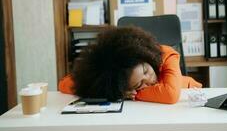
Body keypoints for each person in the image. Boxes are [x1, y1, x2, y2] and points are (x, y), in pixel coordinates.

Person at [59, 26, 202, 104]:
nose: (150, 80)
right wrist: (114, 92)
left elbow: (170, 95)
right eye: (139, 85)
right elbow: (64, 84)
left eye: (146, 71)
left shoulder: (166, 54)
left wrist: (135, 94)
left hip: (191, 98)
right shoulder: (117, 80)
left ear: (147, 57)